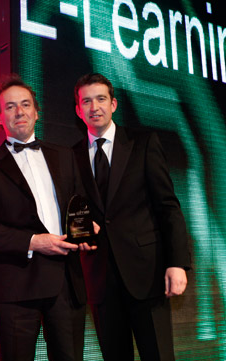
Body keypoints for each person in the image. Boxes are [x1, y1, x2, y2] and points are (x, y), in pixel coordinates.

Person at [0, 74, 97, 361]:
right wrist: (32, 242)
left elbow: (79, 206)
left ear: (36, 112)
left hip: (66, 282)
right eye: (11, 107)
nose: (19, 112)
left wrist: (86, 231)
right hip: (16, 286)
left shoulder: (65, 156)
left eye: (25, 104)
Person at [72, 72, 191, 360]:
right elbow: (71, 207)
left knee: (158, 355)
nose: (94, 107)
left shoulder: (143, 142)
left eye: (101, 99)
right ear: (78, 110)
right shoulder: (71, 155)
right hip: (100, 281)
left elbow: (168, 205)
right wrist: (83, 230)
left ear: (113, 104)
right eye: (86, 101)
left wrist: (178, 263)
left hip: (147, 275)